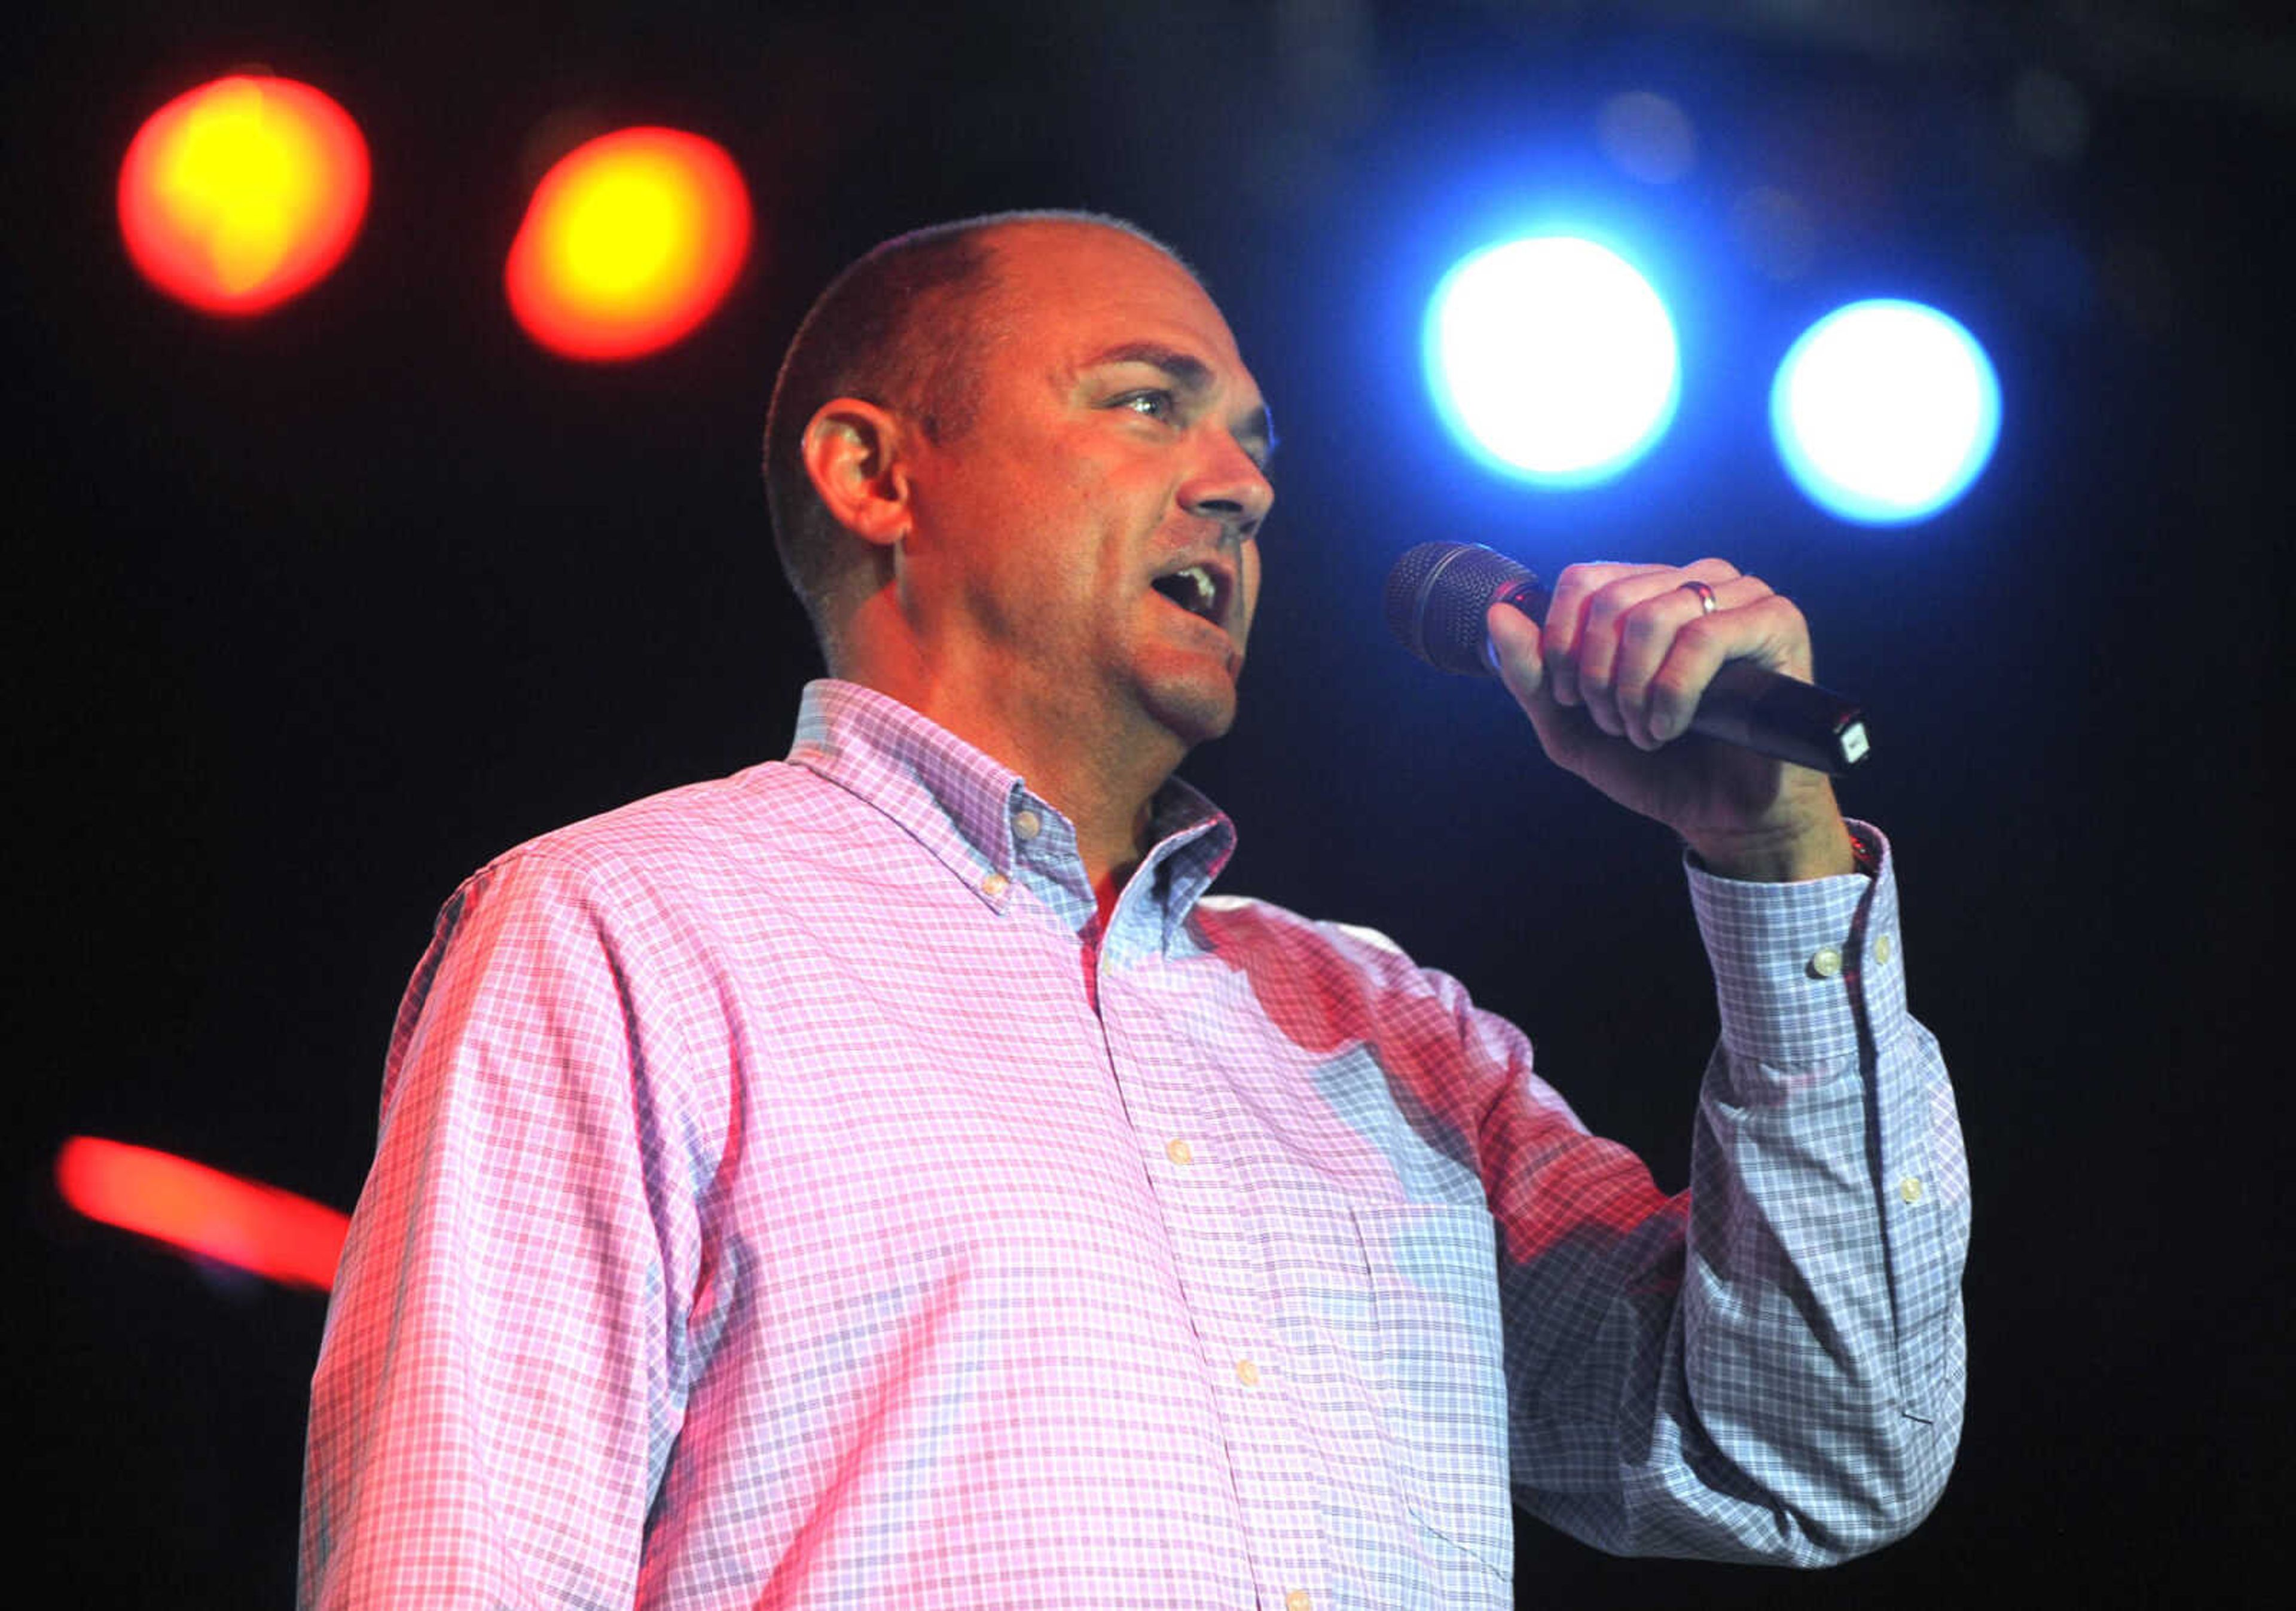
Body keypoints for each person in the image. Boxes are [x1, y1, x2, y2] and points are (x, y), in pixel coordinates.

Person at [300, 212, 1967, 1610]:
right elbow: (457, 1566)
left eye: (1255, 440)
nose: (1239, 486)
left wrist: (1776, 860)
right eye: (1150, 406)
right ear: (878, 472)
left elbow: (1814, 1454)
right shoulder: (627, 932)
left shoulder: (1379, 1028)